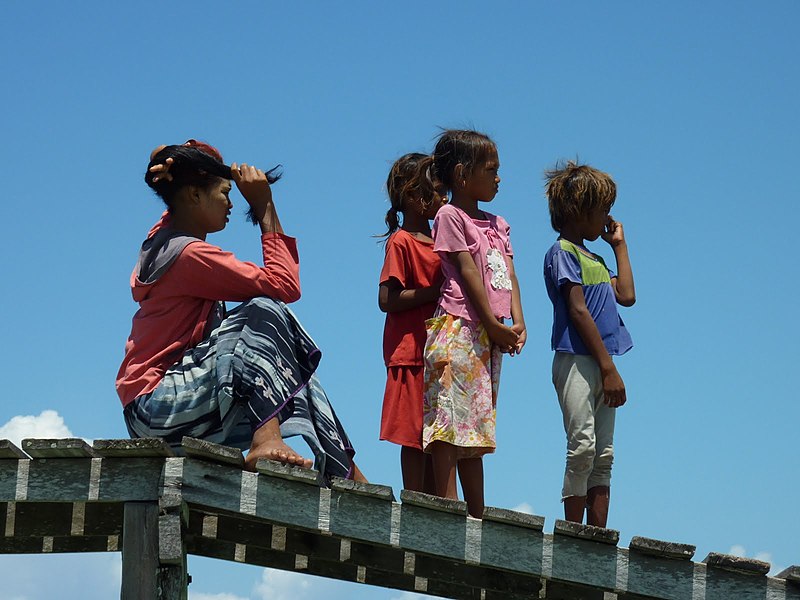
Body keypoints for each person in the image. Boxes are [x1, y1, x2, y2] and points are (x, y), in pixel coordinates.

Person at [116, 140, 364, 483]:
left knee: (293, 366)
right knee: (264, 310)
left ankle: (345, 471)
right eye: (225, 193)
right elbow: (283, 285)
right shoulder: (188, 255)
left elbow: (172, 187)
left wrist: (174, 160)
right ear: (195, 195)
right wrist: (264, 207)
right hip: (158, 408)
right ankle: (266, 437)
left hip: (166, 410)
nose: (231, 204)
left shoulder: (161, 239)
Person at [423, 130, 526, 518]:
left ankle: (477, 511)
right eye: (491, 169)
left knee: (475, 422)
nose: (498, 178)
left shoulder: (499, 224)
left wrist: (517, 321)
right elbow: (467, 272)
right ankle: (449, 505)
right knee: (449, 414)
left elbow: (510, 274)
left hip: (487, 333)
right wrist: (493, 324)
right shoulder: (450, 216)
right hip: (457, 328)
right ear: (463, 174)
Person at [543, 161, 635, 527]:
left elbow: (626, 295)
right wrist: (609, 369)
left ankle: (596, 537)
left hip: (602, 363)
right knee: (582, 447)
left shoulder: (594, 258)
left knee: (603, 455)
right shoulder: (563, 252)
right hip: (577, 361)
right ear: (579, 211)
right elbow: (578, 311)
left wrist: (619, 246)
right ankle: (573, 533)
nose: (607, 218)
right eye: (602, 210)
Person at [378, 153, 447, 493]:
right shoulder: (401, 241)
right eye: (438, 191)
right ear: (413, 196)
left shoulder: (443, 243)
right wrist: (434, 292)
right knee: (413, 434)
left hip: (437, 354)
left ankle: (435, 504)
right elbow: (386, 299)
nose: (444, 198)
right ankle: (415, 500)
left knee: (438, 434)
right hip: (410, 353)